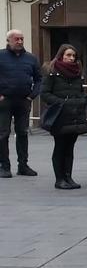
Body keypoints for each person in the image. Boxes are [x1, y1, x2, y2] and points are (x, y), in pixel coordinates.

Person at [40, 44, 87, 189]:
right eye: (68, 55)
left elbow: (79, 91)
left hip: (74, 114)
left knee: (70, 147)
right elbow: (45, 93)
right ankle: (59, 178)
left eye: (73, 56)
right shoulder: (52, 72)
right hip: (60, 115)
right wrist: (62, 102)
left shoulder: (77, 73)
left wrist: (84, 99)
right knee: (60, 146)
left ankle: (68, 176)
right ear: (61, 55)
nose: (71, 58)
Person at [0, 29, 42, 178]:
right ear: (8, 41)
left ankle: (23, 165)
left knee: (22, 133)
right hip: (4, 102)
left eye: (21, 39)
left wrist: (32, 96)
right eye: (16, 39)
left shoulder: (31, 58)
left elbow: (39, 79)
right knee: (3, 134)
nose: (20, 42)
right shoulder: (1, 56)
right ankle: (4, 166)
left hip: (24, 101)